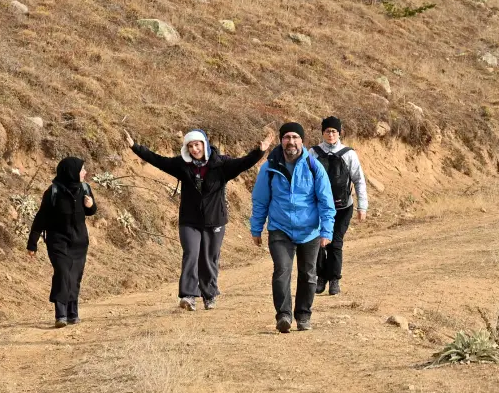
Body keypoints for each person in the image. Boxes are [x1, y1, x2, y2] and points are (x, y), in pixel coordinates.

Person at [124, 126, 275, 311]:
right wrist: (134, 147)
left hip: (214, 220)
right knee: (191, 254)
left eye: (197, 145)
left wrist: (260, 151)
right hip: (189, 220)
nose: (195, 149)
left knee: (209, 258)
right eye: (191, 146)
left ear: (205, 145)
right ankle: (188, 295)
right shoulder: (182, 165)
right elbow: (158, 160)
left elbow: (243, 163)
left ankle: (209, 295)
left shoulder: (221, 164)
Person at [250, 122, 335, 333]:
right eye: (287, 137)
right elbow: (260, 201)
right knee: (282, 271)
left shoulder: (314, 167)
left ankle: (304, 315)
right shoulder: (269, 168)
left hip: (310, 231)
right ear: (281, 140)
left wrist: (327, 230)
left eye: (295, 137)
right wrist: (256, 228)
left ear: (302, 141)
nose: (291, 142)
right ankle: (284, 315)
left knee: (308, 273)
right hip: (280, 228)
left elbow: (326, 201)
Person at [27, 157, 98, 327]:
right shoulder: (53, 192)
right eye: (82, 170)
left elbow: (91, 212)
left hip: (79, 242)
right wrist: (32, 243)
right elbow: (41, 218)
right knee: (63, 273)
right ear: (71, 172)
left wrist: (91, 205)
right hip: (58, 241)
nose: (85, 172)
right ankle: (61, 315)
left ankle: (73, 313)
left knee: (74, 277)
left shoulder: (85, 189)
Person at [312, 116, 368, 296]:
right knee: (319, 242)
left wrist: (362, 207)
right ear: (322, 132)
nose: (330, 134)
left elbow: (359, 181)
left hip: (343, 207)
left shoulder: (348, 154)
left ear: (339, 133)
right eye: (327, 131)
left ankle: (334, 279)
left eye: (334, 131)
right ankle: (320, 277)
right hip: (318, 207)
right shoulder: (313, 153)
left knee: (335, 243)